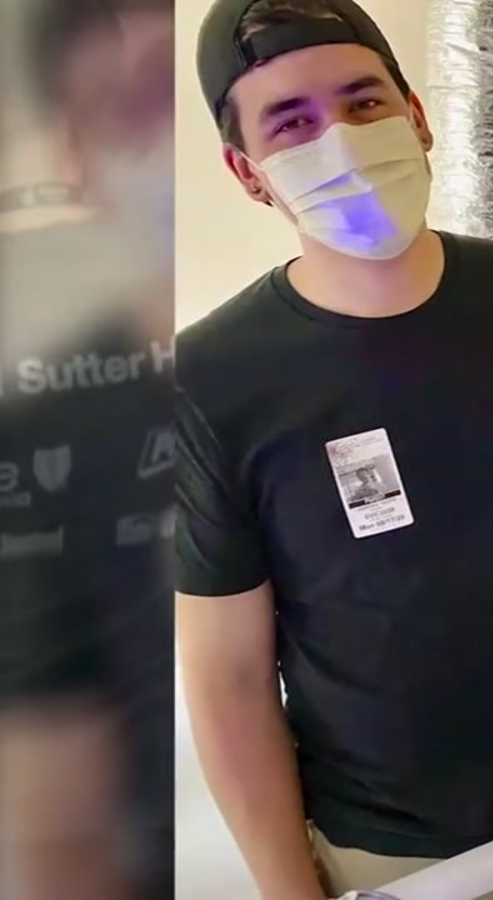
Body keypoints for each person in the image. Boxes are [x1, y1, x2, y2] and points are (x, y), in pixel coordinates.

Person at [174, 0, 493, 897]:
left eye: (364, 102)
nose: (341, 140)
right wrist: (288, 889)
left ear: (418, 116)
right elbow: (228, 677)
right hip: (398, 853)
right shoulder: (213, 381)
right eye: (292, 123)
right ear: (248, 172)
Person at [0, 2, 176, 899]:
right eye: (139, 103)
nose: (173, 142)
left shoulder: (323, 362)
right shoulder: (41, 447)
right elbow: (62, 840)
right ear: (79, 160)